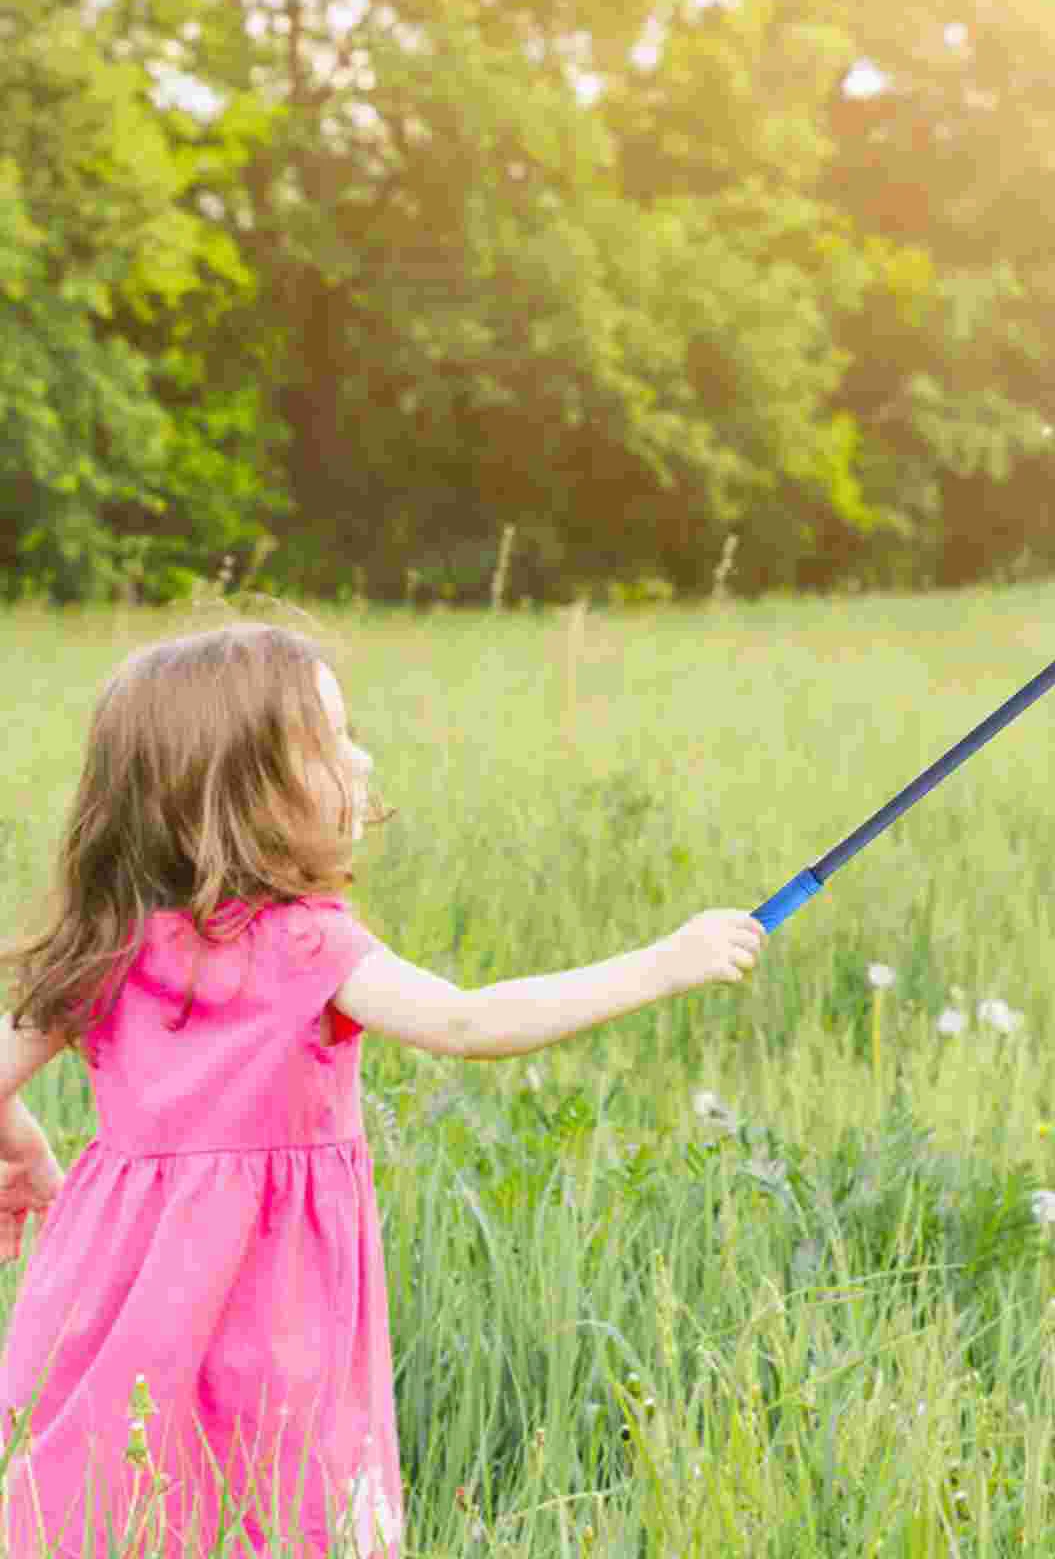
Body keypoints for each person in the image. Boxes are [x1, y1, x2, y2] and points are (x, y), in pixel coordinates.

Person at [0, 620, 764, 1557]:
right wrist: (662, 963)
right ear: (239, 791)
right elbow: (470, 1024)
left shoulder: (108, 941)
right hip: (269, 1299)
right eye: (329, 741)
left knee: (120, 1501)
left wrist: (21, 1136)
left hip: (113, 1298)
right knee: (279, 1499)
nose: (360, 759)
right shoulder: (306, 943)